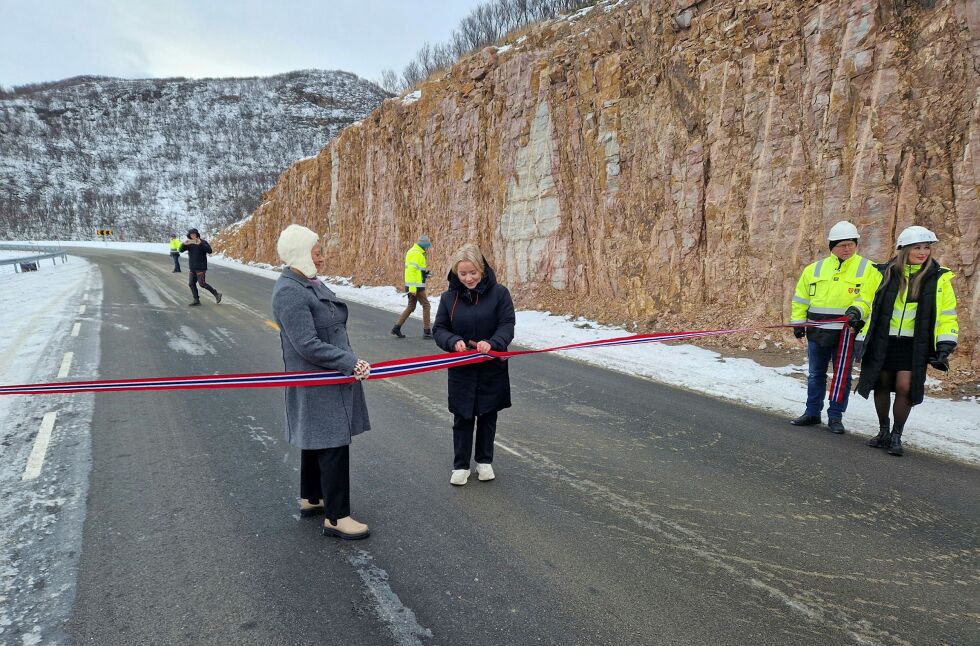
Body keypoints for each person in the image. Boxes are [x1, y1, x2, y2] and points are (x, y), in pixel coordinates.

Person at [272, 224, 373, 538]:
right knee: (332, 443)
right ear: (302, 254)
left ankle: (312, 498)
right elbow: (307, 344)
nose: (323, 257)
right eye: (318, 252)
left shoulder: (304, 282)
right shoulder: (290, 291)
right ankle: (337, 517)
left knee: (316, 439)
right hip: (318, 381)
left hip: (323, 379)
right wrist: (349, 362)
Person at [855, 225, 959, 457]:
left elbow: (946, 314)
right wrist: (855, 312)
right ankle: (882, 431)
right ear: (904, 249)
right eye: (917, 247)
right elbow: (865, 300)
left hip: (914, 344)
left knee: (905, 387)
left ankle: (896, 435)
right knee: (881, 385)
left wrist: (946, 343)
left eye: (926, 247)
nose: (923, 252)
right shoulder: (883, 272)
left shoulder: (939, 277)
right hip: (883, 339)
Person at [432, 243, 515, 485]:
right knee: (463, 416)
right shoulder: (449, 298)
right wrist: (453, 341)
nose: (469, 278)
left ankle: (484, 461)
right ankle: (460, 465)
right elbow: (439, 329)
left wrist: (493, 342)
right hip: (462, 368)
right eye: (463, 274)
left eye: (473, 273)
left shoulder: (500, 293)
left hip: (492, 366)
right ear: (456, 273)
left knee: (488, 415)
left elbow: (507, 324)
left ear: (482, 269)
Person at [788, 221, 872, 434]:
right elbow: (801, 299)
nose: (847, 249)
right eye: (842, 245)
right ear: (832, 246)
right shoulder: (814, 269)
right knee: (816, 374)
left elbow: (870, 300)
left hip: (846, 335)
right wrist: (798, 324)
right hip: (817, 332)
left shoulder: (868, 269)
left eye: (851, 244)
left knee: (842, 376)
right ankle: (812, 412)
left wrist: (858, 318)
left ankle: (835, 416)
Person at [391, 235, 433, 339]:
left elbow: (416, 271)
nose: (427, 248)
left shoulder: (415, 252)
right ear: (423, 245)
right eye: (426, 246)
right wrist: (413, 288)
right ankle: (427, 331)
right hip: (415, 287)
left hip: (413, 285)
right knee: (426, 305)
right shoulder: (416, 253)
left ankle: (397, 327)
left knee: (411, 306)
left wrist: (425, 275)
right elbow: (411, 271)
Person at [179, 228, 222, 306]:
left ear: (197, 234)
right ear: (189, 235)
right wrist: (184, 244)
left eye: (194, 234)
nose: (193, 236)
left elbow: (209, 250)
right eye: (191, 235)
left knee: (202, 283)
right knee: (191, 283)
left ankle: (216, 294)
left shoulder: (203, 242)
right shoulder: (189, 243)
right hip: (192, 267)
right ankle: (196, 300)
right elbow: (180, 250)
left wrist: (200, 244)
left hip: (201, 267)